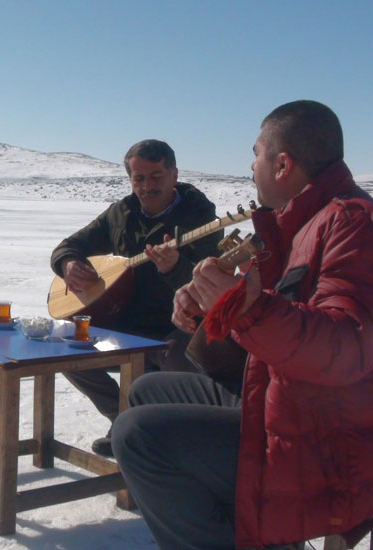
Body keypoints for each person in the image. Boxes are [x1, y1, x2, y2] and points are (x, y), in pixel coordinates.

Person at [112, 100, 373, 549]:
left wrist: (243, 308)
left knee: (138, 436)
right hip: (300, 404)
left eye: (255, 155)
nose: (250, 168)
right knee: (146, 391)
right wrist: (211, 308)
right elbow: (281, 317)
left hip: (336, 444)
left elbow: (345, 349)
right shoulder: (299, 223)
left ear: (282, 164)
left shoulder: (354, 226)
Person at [50, 139, 222, 456]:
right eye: (138, 178)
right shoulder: (121, 213)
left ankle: (168, 441)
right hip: (126, 322)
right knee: (67, 351)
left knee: (180, 360)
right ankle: (125, 421)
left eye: (156, 176)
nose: (146, 186)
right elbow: (68, 245)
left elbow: (210, 288)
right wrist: (69, 263)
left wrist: (175, 268)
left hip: (178, 326)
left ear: (174, 175)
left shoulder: (201, 218)